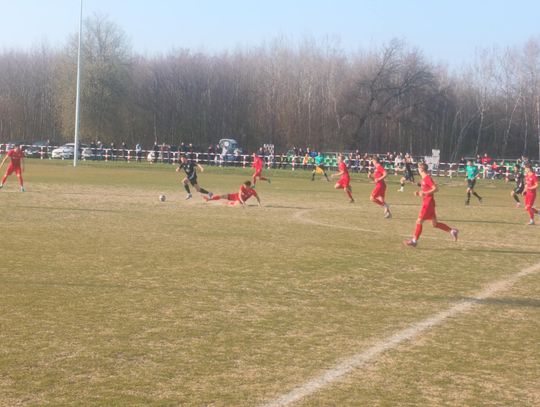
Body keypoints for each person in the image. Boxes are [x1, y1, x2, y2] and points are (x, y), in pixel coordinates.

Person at [404, 162, 459, 247]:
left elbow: (436, 189)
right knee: (434, 224)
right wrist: (419, 191)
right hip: (430, 202)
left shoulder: (427, 178)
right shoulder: (423, 179)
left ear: (422, 169)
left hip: (428, 203)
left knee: (419, 221)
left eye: (418, 167)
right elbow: (425, 188)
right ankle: (452, 231)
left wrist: (424, 193)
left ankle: (414, 241)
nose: (418, 169)